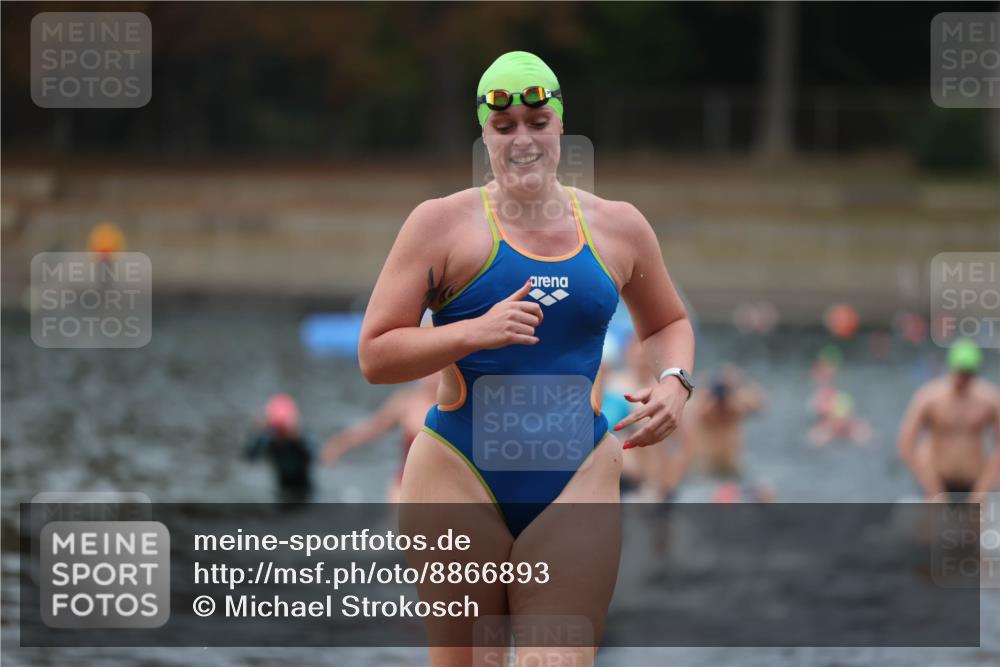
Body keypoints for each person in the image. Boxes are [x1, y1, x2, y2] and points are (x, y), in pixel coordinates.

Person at [356, 51, 695, 666]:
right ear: (483, 133)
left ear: (562, 124)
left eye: (538, 121)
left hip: (577, 478)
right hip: (459, 474)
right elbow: (376, 355)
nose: (523, 140)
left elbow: (668, 321)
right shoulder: (439, 225)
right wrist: (472, 332)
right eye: (504, 126)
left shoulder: (619, 228)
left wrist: (676, 381)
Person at [898, 339, 1000, 503]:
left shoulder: (989, 400)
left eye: (968, 373)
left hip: (974, 481)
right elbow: (906, 444)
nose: (963, 379)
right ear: (950, 368)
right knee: (933, 524)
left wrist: (983, 488)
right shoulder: (929, 398)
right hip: (936, 479)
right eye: (960, 372)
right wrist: (931, 486)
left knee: (976, 525)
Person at [322, 372, 440, 503]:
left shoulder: (456, 406)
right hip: (404, 486)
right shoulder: (406, 401)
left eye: (439, 372)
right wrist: (339, 444)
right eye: (430, 372)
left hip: (443, 489)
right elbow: (372, 429)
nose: (433, 377)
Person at [673, 366, 774, 502]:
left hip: (731, 471)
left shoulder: (735, 409)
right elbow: (687, 408)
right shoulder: (698, 410)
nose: (719, 407)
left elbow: (762, 404)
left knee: (767, 494)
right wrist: (704, 385)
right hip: (704, 474)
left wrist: (739, 380)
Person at [245, 394, 315, 504]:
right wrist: (256, 433)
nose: (280, 433)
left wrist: (295, 438)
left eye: (282, 429)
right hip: (281, 490)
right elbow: (250, 457)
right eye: (277, 428)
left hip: (305, 492)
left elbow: (313, 456)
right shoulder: (267, 440)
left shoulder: (301, 439)